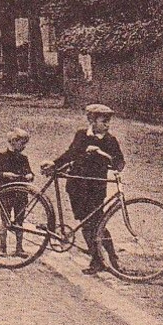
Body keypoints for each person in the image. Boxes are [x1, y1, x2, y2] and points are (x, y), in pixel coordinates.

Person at [42, 103, 125, 274]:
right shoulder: (81, 135)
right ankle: (97, 260)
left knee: (98, 222)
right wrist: (55, 164)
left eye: (108, 122)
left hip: (96, 186)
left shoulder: (110, 141)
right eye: (103, 121)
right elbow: (70, 153)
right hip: (77, 186)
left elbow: (119, 163)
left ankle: (111, 258)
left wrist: (102, 154)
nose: (107, 125)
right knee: (86, 223)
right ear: (91, 120)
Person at [0, 128, 35, 256]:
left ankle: (19, 248)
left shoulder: (23, 158)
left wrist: (30, 175)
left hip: (20, 194)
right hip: (6, 193)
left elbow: (29, 172)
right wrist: (5, 174)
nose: (24, 146)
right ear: (14, 141)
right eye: (22, 143)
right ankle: (2, 247)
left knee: (20, 221)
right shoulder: (1, 156)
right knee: (5, 220)